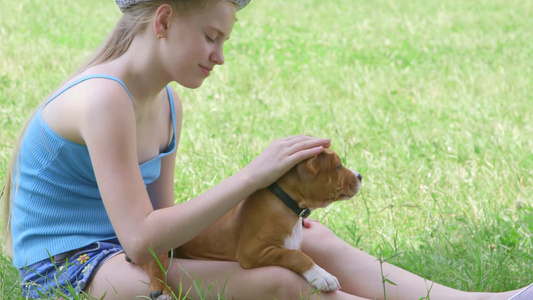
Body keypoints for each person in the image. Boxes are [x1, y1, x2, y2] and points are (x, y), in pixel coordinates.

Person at [1, 0, 530, 299]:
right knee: (279, 281)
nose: (220, 56)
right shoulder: (103, 100)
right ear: (163, 21)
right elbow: (142, 240)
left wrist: (260, 219)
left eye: (223, 41)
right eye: (212, 37)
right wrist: (253, 178)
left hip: (131, 249)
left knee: (303, 236)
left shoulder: (165, 103)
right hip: (73, 266)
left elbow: (162, 221)